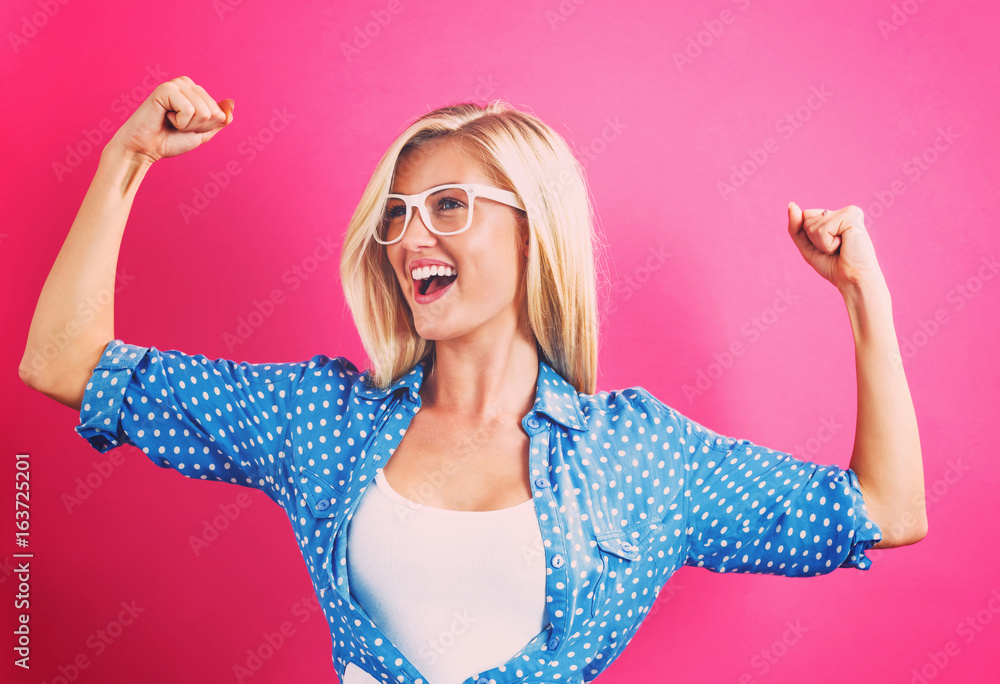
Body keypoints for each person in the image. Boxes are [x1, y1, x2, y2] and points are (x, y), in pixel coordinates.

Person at [20, 75, 927, 684]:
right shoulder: (322, 419)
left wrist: (861, 294)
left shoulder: (640, 455)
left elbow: (888, 510)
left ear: (535, 232)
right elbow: (61, 361)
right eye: (399, 215)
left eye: (449, 206)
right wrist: (128, 159)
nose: (413, 237)